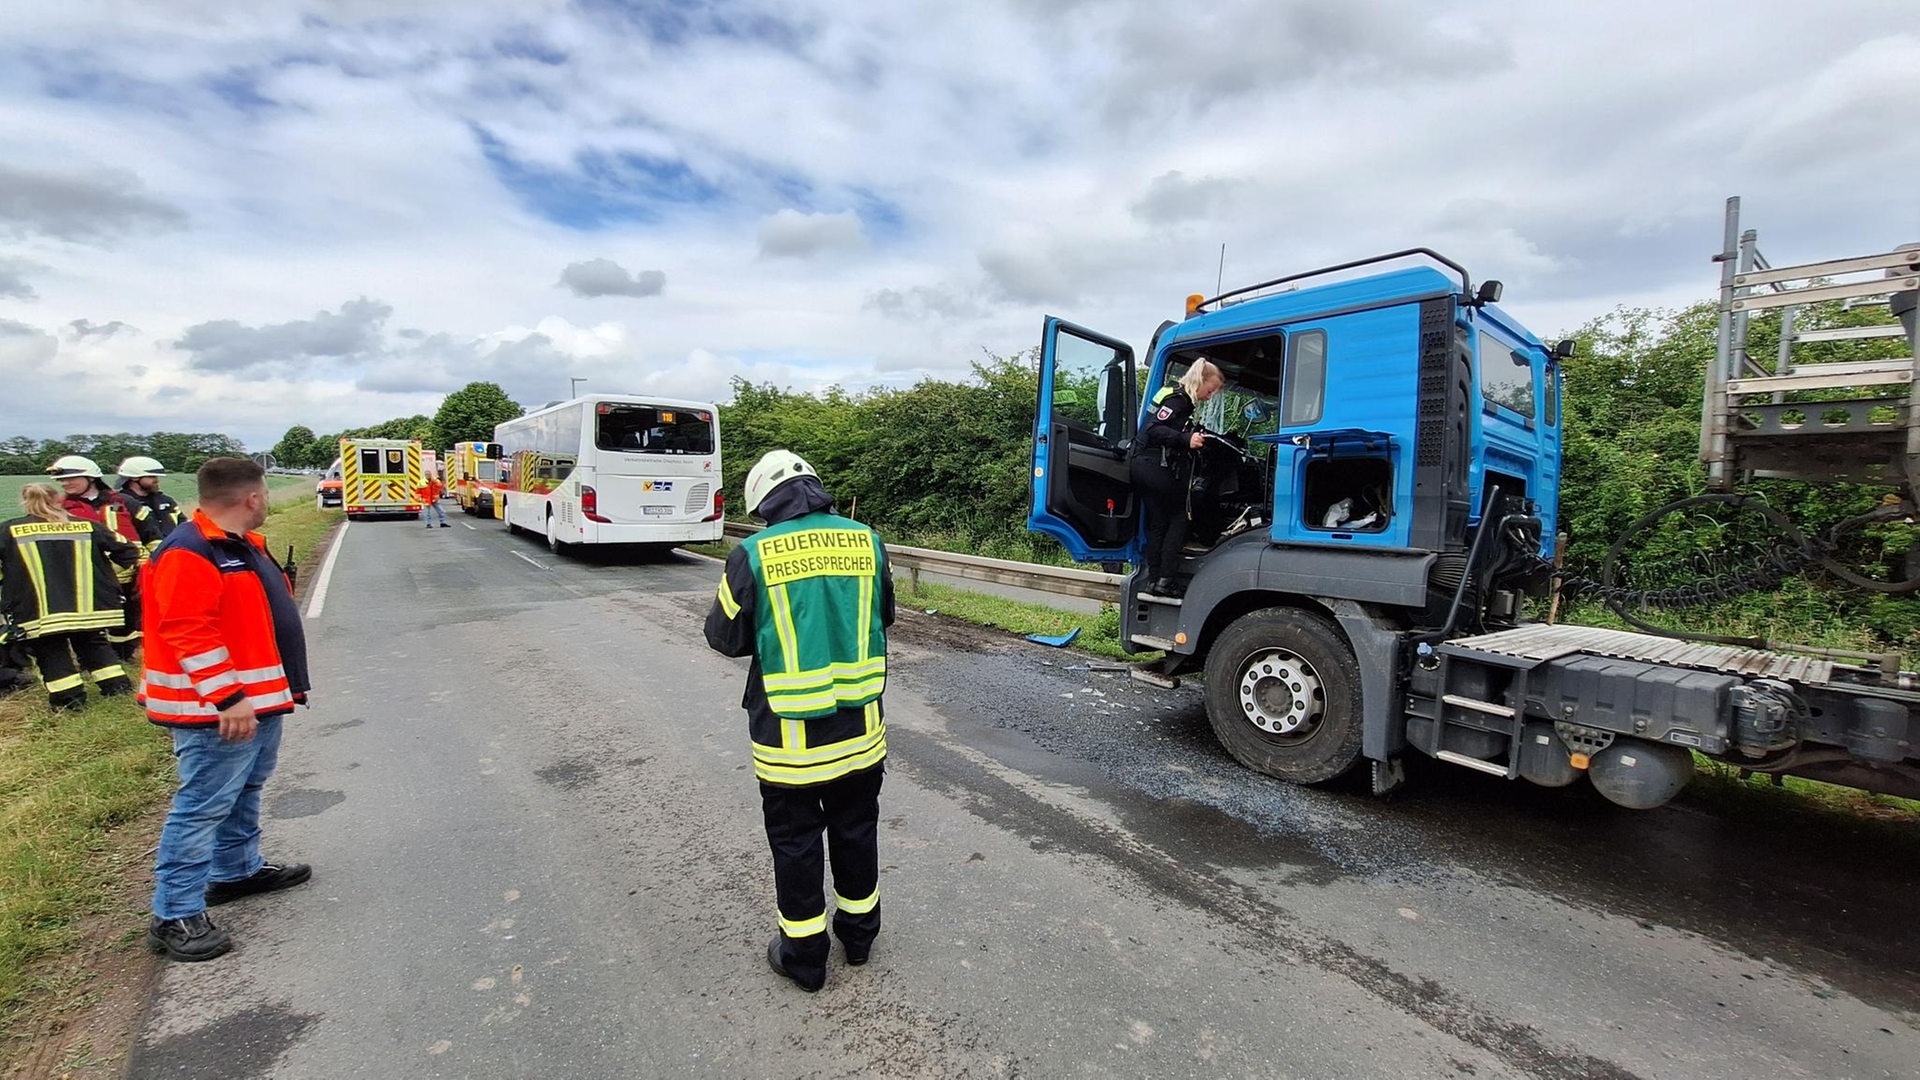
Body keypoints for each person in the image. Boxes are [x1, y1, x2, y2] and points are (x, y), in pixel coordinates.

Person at [704, 450, 893, 993]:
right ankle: (858, 939)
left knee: (796, 843)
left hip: (789, 744)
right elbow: (885, 617)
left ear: (763, 500)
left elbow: (725, 637)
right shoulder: (866, 541)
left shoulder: (753, 554)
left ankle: (805, 959)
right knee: (857, 831)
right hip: (861, 734)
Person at [142, 457, 313, 963]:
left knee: (245, 787)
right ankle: (174, 913)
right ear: (254, 497)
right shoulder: (190, 551)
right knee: (202, 805)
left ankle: (235, 870)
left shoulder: (237, 545)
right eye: (263, 493)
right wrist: (228, 697)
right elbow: (187, 630)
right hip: (220, 709)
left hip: (256, 701)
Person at [0, 484, 139, 709]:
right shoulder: (87, 526)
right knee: (94, 644)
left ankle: (69, 701)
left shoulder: (8, 530)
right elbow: (129, 551)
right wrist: (106, 576)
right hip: (89, 606)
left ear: (25, 502)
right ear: (57, 500)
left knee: (51, 652)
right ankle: (117, 687)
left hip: (39, 610)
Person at [1128, 359, 1225, 597]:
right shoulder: (1178, 400)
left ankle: (1153, 580)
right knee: (1180, 517)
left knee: (1158, 522)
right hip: (1152, 467)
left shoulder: (1172, 395)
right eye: (1210, 390)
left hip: (1141, 466)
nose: (1209, 396)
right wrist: (1186, 440)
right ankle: (1167, 579)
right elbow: (1152, 429)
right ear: (1200, 381)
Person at [47, 455, 153, 660]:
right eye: (61, 480)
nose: (65, 483)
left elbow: (151, 534)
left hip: (130, 574)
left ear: (91, 478)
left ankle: (126, 655)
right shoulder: (59, 508)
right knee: (91, 620)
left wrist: (152, 563)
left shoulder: (124, 502)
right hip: (86, 575)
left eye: (71, 478)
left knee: (129, 619)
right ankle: (95, 659)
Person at [115, 455, 187, 549]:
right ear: (134, 478)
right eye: (151, 476)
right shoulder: (119, 503)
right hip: (143, 559)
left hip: (172, 555)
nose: (156, 480)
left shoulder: (166, 501)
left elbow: (183, 525)